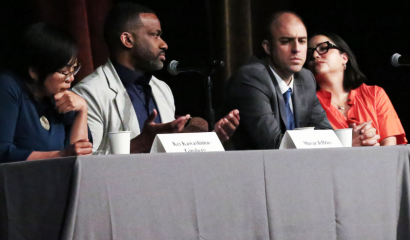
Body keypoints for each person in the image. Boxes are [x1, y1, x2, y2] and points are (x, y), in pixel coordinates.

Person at [73, 2, 240, 154]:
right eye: (155, 35)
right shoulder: (89, 93)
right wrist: (141, 143)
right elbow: (85, 163)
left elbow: (171, 153)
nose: (164, 44)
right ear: (127, 40)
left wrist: (211, 140)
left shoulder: (162, 89)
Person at [227, 11, 380, 150]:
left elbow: (324, 131)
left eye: (302, 41)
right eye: (286, 41)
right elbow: (274, 145)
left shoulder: (306, 78)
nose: (296, 49)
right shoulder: (252, 77)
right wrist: (342, 143)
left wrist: (349, 138)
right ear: (267, 47)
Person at [0, 23, 92, 163]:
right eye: (64, 71)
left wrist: (82, 110)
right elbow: (3, 153)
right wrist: (61, 155)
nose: (71, 78)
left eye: (73, 69)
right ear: (34, 72)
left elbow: (80, 158)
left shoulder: (60, 97)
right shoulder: (8, 86)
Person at [307, 33, 407, 145]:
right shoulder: (308, 104)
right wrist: (351, 145)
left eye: (323, 48)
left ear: (344, 58)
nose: (315, 55)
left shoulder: (374, 94)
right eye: (309, 53)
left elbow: (390, 146)